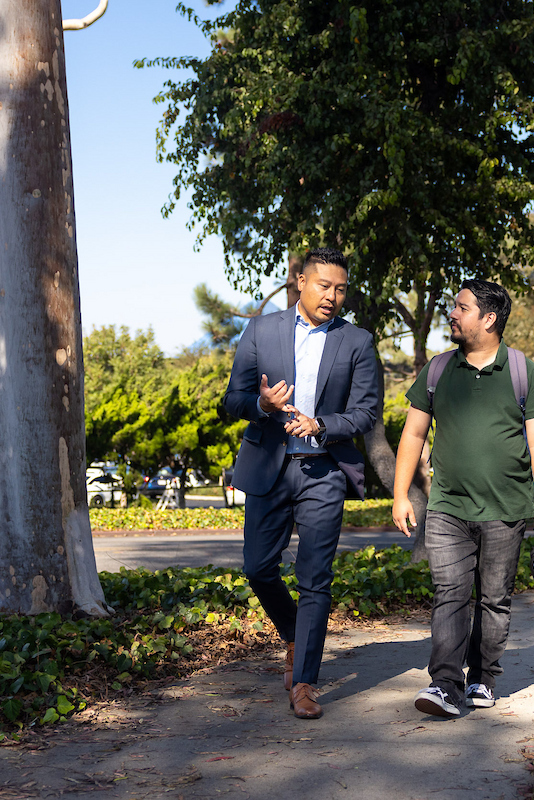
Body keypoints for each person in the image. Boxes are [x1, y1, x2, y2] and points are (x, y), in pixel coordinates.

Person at [223, 247, 380, 720]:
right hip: (268, 466)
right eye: (324, 286)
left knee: (315, 578)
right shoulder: (261, 329)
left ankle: (306, 683)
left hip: (323, 471)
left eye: (341, 289)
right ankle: (296, 635)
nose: (333, 296)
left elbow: (366, 412)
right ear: (300, 282)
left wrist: (322, 425)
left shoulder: (357, 341)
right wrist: (263, 405)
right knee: (257, 568)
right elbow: (232, 399)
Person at [392, 278, 534, 718]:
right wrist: (400, 494)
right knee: (450, 592)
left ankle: (483, 676)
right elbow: (413, 432)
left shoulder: (524, 372)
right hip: (448, 505)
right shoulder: (438, 369)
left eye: (461, 308)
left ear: (488, 318)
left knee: (494, 598)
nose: (452, 313)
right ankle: (445, 682)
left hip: (507, 508)